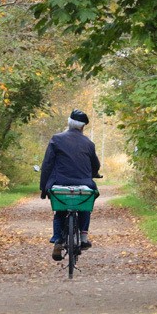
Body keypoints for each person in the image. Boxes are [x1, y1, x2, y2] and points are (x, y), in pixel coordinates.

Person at [39, 109, 101, 261]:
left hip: (60, 183)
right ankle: (84, 237)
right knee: (85, 204)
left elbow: (47, 164)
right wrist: (93, 173)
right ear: (82, 127)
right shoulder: (89, 143)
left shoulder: (56, 139)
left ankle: (57, 239)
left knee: (60, 211)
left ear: (69, 123)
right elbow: (95, 165)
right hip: (83, 184)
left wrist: (43, 188)